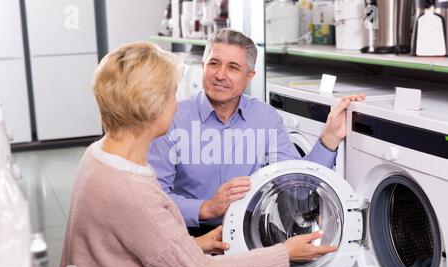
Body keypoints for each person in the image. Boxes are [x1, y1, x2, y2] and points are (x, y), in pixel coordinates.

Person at [54, 41, 337, 267]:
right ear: (152, 106)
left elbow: (294, 180)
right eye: (172, 93)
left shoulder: (99, 155)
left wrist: (195, 245)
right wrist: (285, 253)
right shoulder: (132, 190)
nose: (177, 102)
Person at [148, 29, 365, 237]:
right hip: (189, 233)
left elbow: (298, 189)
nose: (220, 75)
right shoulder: (173, 118)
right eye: (214, 64)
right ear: (203, 66)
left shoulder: (266, 118)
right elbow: (155, 199)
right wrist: (206, 208)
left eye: (233, 67)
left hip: (249, 230)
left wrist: (329, 139)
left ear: (249, 75)